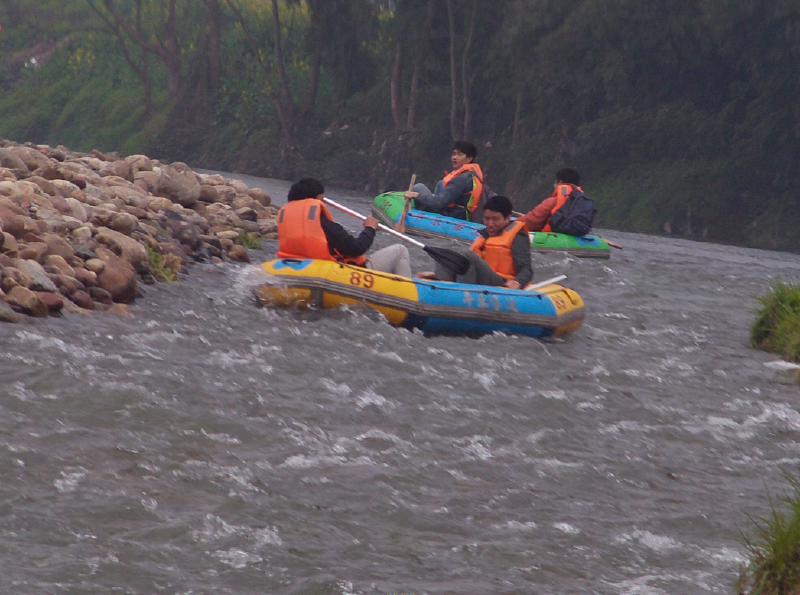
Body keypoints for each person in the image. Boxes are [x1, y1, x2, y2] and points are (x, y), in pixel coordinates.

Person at [277, 178, 413, 278]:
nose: (324, 201)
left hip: (300, 268)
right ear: (314, 199)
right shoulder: (325, 225)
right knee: (400, 250)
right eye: (322, 198)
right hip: (342, 273)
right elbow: (356, 248)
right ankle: (410, 291)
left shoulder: (288, 219)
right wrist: (370, 228)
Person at [416, 195, 533, 289]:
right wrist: (435, 274)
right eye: (487, 219)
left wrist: (518, 282)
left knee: (468, 255)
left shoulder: (518, 236)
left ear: (507, 218)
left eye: (495, 219)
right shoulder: (486, 236)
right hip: (481, 279)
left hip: (501, 282)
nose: (490, 224)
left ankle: (463, 293)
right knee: (447, 254)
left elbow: (526, 269)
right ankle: (440, 285)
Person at [404, 140, 485, 221]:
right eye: (454, 154)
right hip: (462, 211)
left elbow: (439, 202)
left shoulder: (462, 179)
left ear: (469, 159)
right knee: (441, 183)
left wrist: (417, 195)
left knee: (418, 187)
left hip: (454, 214)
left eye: (460, 155)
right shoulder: (472, 173)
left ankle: (429, 212)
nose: (454, 157)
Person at [521, 168, 582, 232]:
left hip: (553, 238)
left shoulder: (553, 201)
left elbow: (532, 221)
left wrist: (515, 222)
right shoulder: (583, 203)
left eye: (555, 182)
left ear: (560, 183)